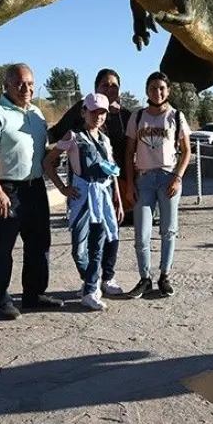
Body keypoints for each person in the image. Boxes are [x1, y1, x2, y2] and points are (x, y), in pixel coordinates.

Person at [0, 63, 64, 320]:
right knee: (4, 245)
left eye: (30, 84)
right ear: (6, 85)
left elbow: (39, 150)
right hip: (8, 187)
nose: (26, 88)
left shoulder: (36, 114)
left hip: (35, 186)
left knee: (39, 243)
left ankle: (33, 295)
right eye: (19, 84)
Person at [43, 93, 125, 311]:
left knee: (99, 243)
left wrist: (117, 199)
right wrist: (63, 188)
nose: (98, 116)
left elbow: (112, 171)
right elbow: (49, 162)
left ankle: (90, 289)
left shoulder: (105, 140)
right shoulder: (73, 136)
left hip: (103, 196)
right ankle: (91, 280)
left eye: (102, 112)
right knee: (79, 248)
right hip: (82, 196)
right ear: (84, 112)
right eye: (94, 111)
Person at [124, 71, 191, 299]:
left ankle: (165, 275)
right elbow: (129, 152)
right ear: (147, 91)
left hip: (168, 177)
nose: (157, 92)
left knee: (168, 230)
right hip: (144, 179)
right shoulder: (138, 117)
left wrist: (178, 177)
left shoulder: (176, 116)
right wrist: (130, 184)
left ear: (168, 90)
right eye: (153, 88)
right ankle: (144, 278)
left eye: (162, 88)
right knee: (142, 233)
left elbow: (186, 151)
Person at [48, 68, 135, 225]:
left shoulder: (127, 116)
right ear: (96, 88)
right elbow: (56, 133)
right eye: (104, 85)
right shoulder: (82, 109)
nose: (109, 89)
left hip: (119, 186)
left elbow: (132, 151)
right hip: (86, 189)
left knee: (112, 235)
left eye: (114, 86)